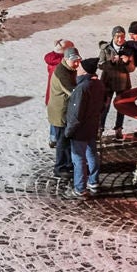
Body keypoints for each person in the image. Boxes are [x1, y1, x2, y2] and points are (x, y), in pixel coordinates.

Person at [64, 56, 108, 197]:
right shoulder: (99, 85)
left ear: (85, 71)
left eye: (81, 67)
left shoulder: (82, 88)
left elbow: (76, 114)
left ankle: (80, 188)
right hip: (92, 126)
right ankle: (93, 181)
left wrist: (69, 130)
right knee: (92, 154)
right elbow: (102, 106)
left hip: (81, 130)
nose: (78, 68)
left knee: (79, 159)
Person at [45, 46, 80, 179]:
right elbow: (72, 91)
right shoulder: (61, 73)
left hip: (65, 111)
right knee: (62, 141)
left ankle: (68, 163)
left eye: (78, 60)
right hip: (60, 113)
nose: (77, 63)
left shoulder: (69, 69)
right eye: (74, 61)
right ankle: (59, 167)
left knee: (66, 139)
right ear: (66, 59)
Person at [101, 27, 137, 136]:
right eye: (118, 36)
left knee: (121, 107)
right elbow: (100, 65)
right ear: (113, 37)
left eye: (122, 36)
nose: (120, 39)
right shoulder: (106, 48)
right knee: (104, 106)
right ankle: (100, 128)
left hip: (122, 83)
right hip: (107, 82)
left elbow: (132, 68)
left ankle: (118, 128)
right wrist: (110, 63)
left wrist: (127, 62)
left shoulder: (129, 49)